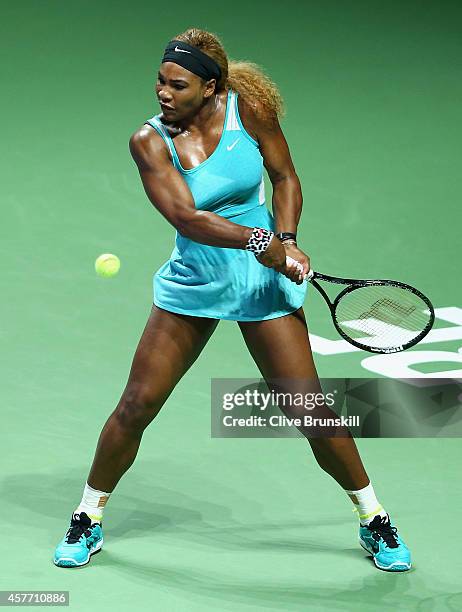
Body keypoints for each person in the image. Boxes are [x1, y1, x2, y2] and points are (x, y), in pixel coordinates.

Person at [53, 28, 411, 572]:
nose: (162, 92)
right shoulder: (149, 141)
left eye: (177, 84)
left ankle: (374, 518)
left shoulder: (253, 111)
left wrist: (286, 238)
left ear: (211, 87)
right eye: (160, 80)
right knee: (136, 406)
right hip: (195, 280)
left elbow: (285, 175)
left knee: (310, 410)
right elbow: (186, 217)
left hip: (261, 284)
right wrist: (260, 240)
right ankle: (88, 515)